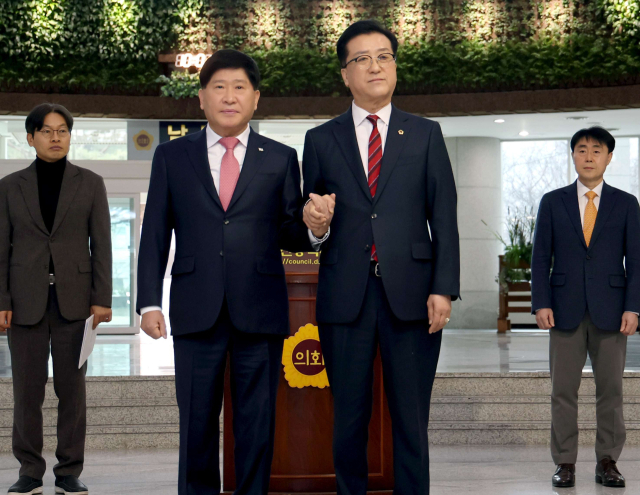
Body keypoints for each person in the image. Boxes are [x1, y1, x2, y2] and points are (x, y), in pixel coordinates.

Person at [136, 49, 334, 495]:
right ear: (202, 97)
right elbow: (155, 234)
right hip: (195, 308)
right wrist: (148, 302)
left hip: (259, 309)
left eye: (239, 87)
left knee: (256, 424)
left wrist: (314, 228)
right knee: (196, 424)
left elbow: (290, 233)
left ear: (256, 98)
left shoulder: (280, 158)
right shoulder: (172, 156)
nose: (229, 97)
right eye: (219, 87)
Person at [302, 20, 460, 495]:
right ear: (345, 74)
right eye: (362, 59)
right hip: (345, 296)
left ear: (395, 67)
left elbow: (444, 217)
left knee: (411, 418)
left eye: (384, 56)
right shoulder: (320, 139)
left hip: (411, 296)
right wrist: (316, 226)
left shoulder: (425, 134)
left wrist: (443, 288)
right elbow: (311, 218)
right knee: (349, 419)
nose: (375, 66)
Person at [0, 103, 112, 495]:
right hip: (24, 302)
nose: (55, 137)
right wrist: (2, 299)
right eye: (47, 131)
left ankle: (68, 471)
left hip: (75, 304)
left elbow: (102, 245)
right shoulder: (9, 187)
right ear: (30, 138)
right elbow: (1, 249)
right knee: (26, 393)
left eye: (62, 130)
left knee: (72, 391)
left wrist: (101, 298)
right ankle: (30, 471)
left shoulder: (90, 183)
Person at [531, 127, 640, 488]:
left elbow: (636, 261)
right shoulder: (552, 201)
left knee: (611, 391)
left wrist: (634, 307)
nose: (589, 156)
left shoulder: (626, 203)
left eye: (596, 150)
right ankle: (565, 462)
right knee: (562, 391)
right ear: (573, 156)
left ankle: (608, 461)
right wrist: (541, 302)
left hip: (613, 311)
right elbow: (540, 257)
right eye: (581, 149)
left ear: (609, 157)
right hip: (564, 310)